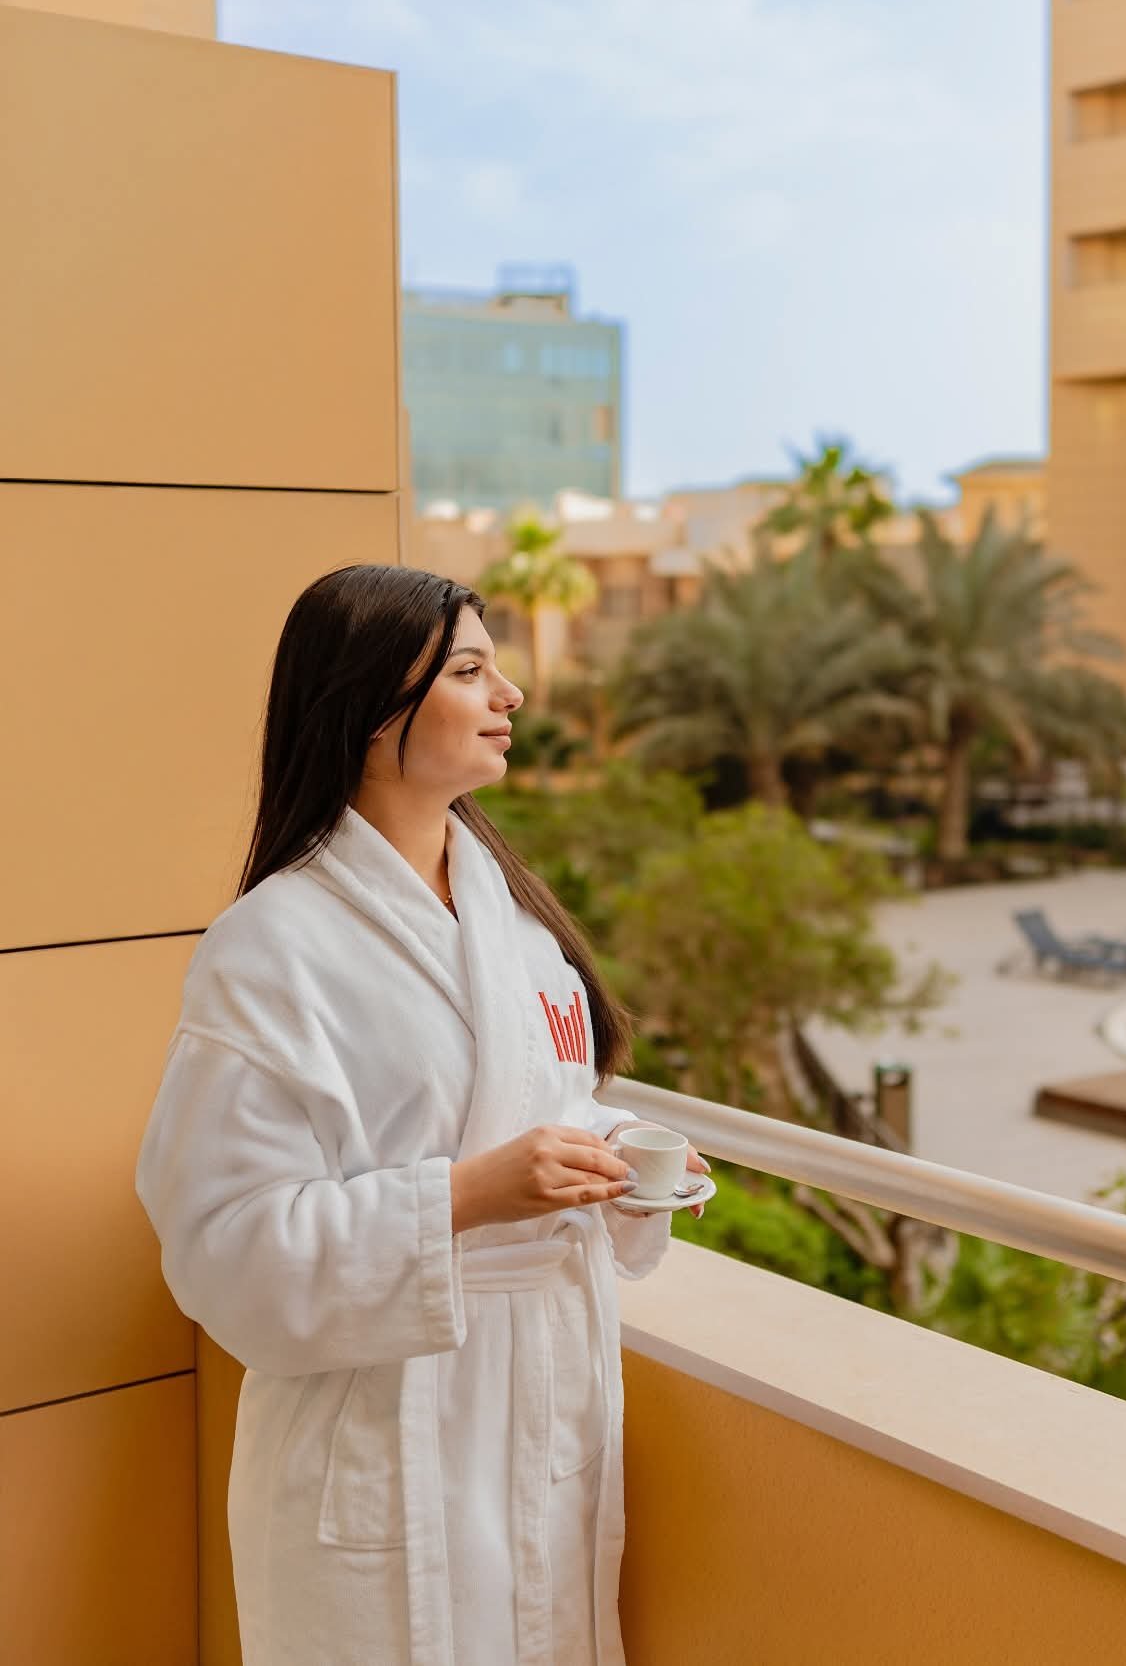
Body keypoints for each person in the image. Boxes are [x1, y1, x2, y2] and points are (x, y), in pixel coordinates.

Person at [136, 565, 708, 1666]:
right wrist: (467, 1195)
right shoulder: (270, 949)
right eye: (469, 670)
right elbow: (221, 1245)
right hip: (378, 1431)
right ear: (368, 707)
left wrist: (619, 1168)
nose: (511, 694)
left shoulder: (517, 929)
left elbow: (547, 1105)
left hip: (534, 1415)